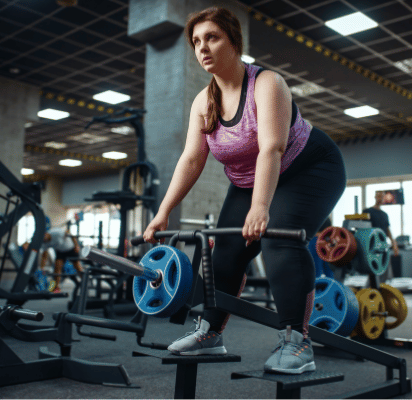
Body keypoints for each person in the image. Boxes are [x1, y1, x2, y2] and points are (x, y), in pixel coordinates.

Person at [142, 7, 346, 375]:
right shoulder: (204, 102)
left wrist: (261, 207)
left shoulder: (267, 84)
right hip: (248, 180)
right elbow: (192, 159)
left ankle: (297, 342)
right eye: (196, 42)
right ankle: (210, 333)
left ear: (234, 41)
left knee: (278, 240)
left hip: (309, 169)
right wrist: (162, 213)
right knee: (223, 252)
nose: (203, 48)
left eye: (212, 37)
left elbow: (272, 148)